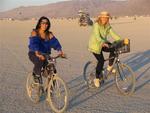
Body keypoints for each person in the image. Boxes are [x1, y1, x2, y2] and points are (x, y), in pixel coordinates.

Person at [88, 11, 121, 88]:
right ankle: (96, 78)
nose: (105, 19)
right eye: (103, 18)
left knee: (113, 48)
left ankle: (109, 67)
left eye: (106, 18)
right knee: (101, 61)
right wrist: (103, 42)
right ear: (100, 17)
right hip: (95, 45)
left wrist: (121, 40)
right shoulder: (96, 25)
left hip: (103, 44)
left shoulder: (107, 26)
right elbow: (97, 36)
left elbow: (113, 34)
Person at [28, 16, 64, 84]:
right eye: (43, 23)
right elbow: (34, 43)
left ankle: (50, 91)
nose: (45, 25)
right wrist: (37, 53)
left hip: (45, 54)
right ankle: (36, 75)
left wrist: (60, 51)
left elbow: (55, 42)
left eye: (46, 23)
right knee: (40, 61)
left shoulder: (49, 34)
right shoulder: (35, 32)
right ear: (39, 24)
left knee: (52, 71)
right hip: (34, 53)